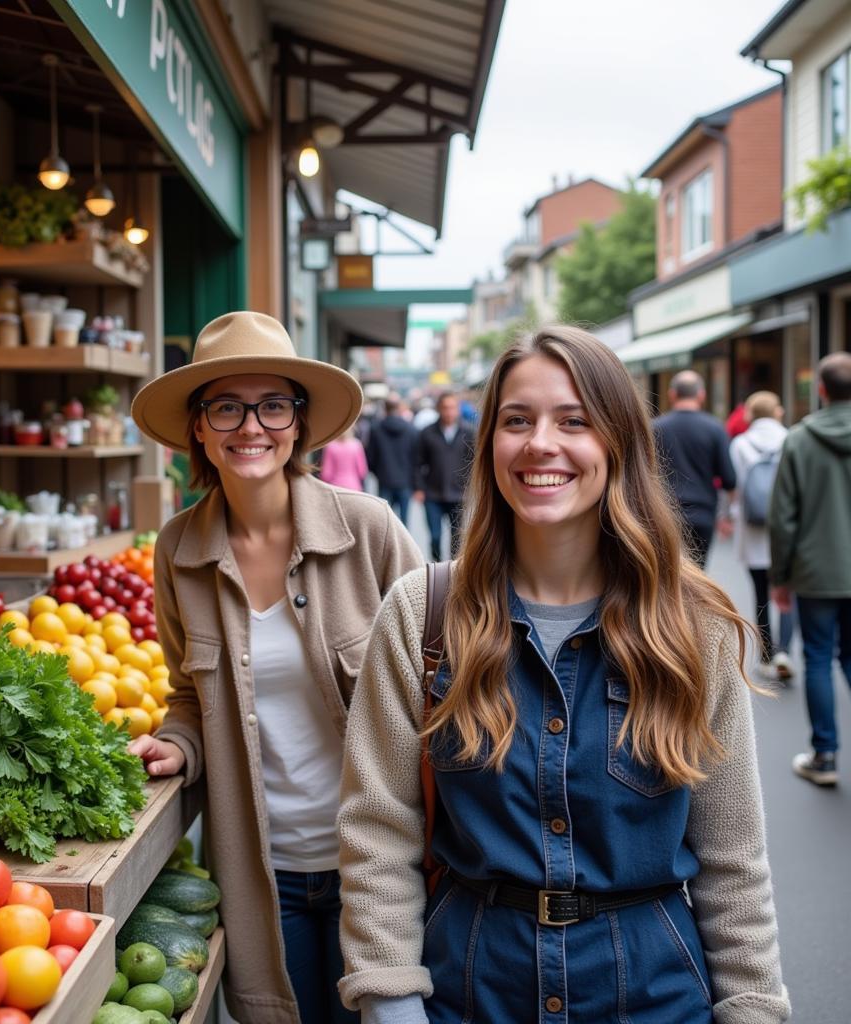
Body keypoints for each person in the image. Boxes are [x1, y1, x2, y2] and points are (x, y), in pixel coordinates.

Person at [338, 326, 789, 1024]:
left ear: (618, 444)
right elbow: (377, 831)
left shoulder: (694, 624)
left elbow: (734, 859)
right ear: (489, 445)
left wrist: (753, 1007)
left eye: (573, 421)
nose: (540, 443)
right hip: (470, 989)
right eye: (517, 420)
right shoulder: (423, 613)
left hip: (654, 995)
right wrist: (392, 1003)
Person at [127, 311, 423, 1024]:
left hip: (380, 869)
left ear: (298, 424)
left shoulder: (370, 529)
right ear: (199, 427)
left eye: (272, 405)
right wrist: (178, 744)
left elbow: (449, 674)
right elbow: (187, 697)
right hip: (266, 872)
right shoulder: (178, 551)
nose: (250, 425)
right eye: (226, 405)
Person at [769, 351, 851, 787]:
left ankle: (825, 756)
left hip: (817, 570)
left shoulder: (800, 439)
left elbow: (783, 517)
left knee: (817, 657)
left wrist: (780, 576)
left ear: (821, 389)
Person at [728, 391, 793, 682]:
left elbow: (734, 486)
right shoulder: (791, 439)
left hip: (752, 527)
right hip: (786, 527)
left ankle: (767, 653)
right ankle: (785, 651)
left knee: (761, 593)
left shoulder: (740, 443)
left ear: (751, 414)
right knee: (789, 591)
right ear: (777, 412)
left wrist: (728, 515)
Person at [653, 370, 736, 567]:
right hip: (703, 515)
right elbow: (729, 479)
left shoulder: (655, 428)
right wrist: (727, 516)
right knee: (698, 576)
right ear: (701, 395)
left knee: (668, 574)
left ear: (672, 394)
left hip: (664, 514)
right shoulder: (715, 428)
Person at [413, 391, 474, 560]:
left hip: (459, 494)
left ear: (458, 410)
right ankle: (437, 568)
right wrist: (419, 488)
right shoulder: (426, 433)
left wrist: (471, 488)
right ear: (439, 409)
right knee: (434, 536)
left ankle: (454, 573)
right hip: (433, 493)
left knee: (457, 538)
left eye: (452, 407)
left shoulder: (468, 432)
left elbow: (474, 463)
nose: (449, 412)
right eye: (445, 408)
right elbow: (418, 462)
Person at [366, 394, 419, 524]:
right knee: (404, 522)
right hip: (405, 481)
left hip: (384, 480)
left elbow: (370, 457)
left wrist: (379, 473)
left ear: (385, 408)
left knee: (385, 521)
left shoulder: (375, 429)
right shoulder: (411, 429)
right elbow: (416, 458)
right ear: (399, 408)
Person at [320, 426, 369, 491]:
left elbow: (326, 474)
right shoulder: (357, 445)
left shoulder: (330, 446)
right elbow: (362, 471)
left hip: (335, 488)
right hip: (354, 487)